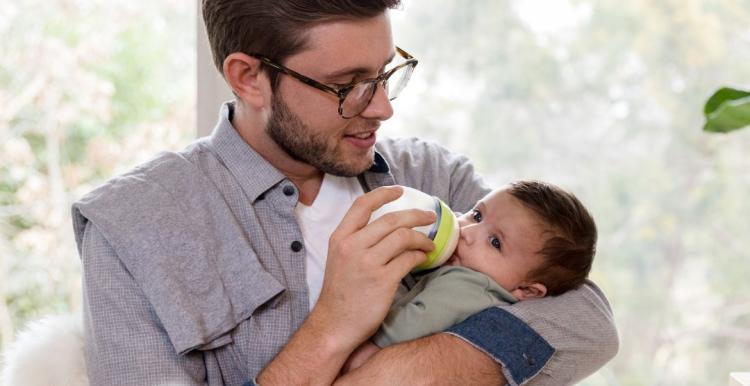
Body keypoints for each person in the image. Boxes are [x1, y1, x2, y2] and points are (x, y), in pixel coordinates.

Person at [71, 1, 618, 385]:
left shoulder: (431, 176)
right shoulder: (131, 228)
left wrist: (387, 374)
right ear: (249, 78)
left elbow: (586, 320)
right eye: (348, 86)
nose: (382, 107)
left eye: (385, 73)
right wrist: (333, 326)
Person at [340, 180, 598, 375]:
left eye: (495, 242)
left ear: (528, 290)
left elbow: (398, 333)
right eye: (477, 215)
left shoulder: (467, 285)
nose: (467, 232)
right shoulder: (482, 284)